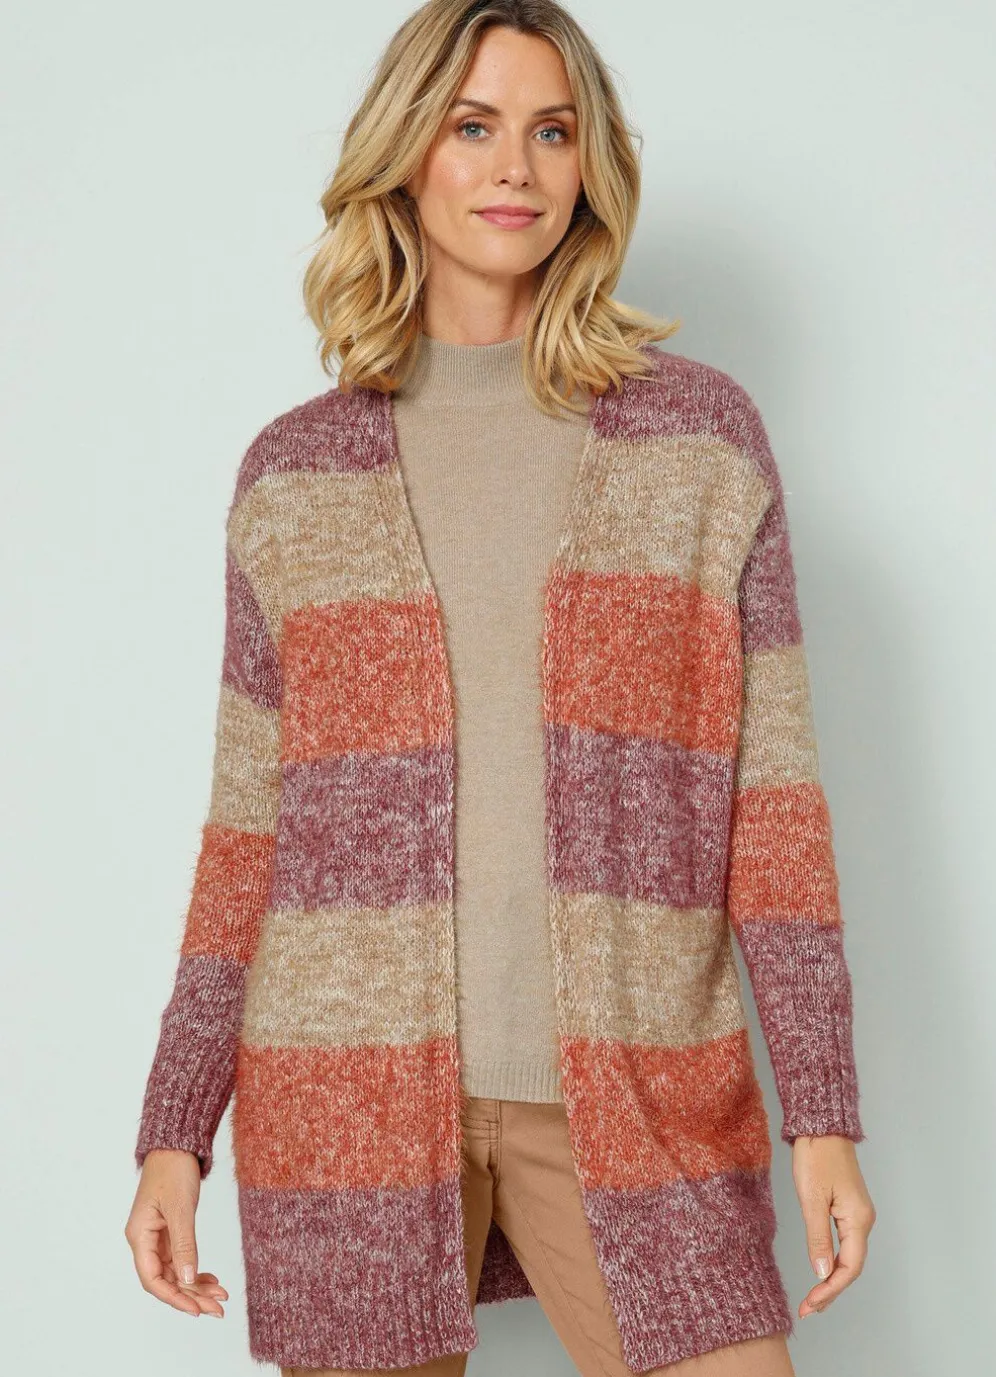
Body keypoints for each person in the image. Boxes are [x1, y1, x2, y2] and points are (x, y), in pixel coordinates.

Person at [124, 3, 876, 1375]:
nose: (515, 168)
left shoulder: (699, 444)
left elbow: (771, 813)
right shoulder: (294, 477)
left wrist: (821, 1112)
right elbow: (246, 838)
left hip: (637, 1092)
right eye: (473, 128)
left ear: (592, 165)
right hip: (346, 1101)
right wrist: (175, 1129)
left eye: (552, 131)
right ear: (406, 153)